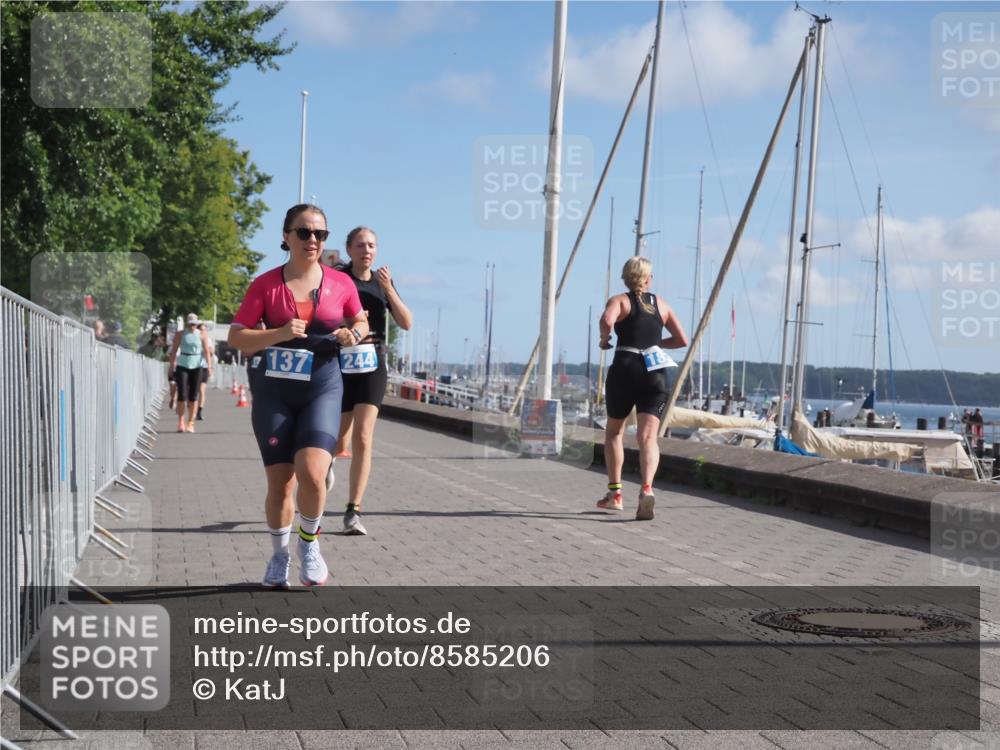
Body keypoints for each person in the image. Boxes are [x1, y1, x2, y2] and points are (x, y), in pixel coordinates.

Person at [228, 204, 368, 588]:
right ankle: (278, 557)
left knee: (312, 473)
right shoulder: (266, 284)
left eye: (320, 234)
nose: (312, 241)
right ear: (286, 236)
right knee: (280, 484)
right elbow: (236, 336)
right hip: (275, 390)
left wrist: (352, 334)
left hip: (322, 386)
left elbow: (360, 319)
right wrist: (276, 333)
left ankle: (309, 546)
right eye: (304, 233)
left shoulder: (341, 284)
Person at [334, 227, 413, 535]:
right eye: (360, 245)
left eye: (372, 245)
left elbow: (406, 323)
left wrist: (389, 290)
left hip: (372, 361)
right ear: (349, 249)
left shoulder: (384, 283)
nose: (367, 250)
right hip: (341, 360)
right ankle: (324, 468)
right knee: (339, 439)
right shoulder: (340, 279)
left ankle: (353, 510)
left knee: (363, 437)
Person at [598, 256, 688, 521]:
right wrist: (656, 343)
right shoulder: (662, 304)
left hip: (625, 367)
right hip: (655, 370)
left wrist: (605, 339)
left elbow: (606, 320)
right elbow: (681, 340)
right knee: (649, 438)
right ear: (647, 278)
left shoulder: (620, 300)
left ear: (626, 277)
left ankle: (615, 495)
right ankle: (647, 488)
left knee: (614, 432)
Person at [168, 314, 212, 433]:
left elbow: (207, 352)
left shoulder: (202, 334)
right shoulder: (181, 334)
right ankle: (181, 421)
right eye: (190, 324)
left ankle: (191, 422)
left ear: (197, 324)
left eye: (194, 324)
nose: (192, 326)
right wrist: (171, 366)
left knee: (193, 395)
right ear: (188, 323)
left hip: (197, 365)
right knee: (182, 394)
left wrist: (209, 367)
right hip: (183, 365)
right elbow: (173, 351)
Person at [196, 323, 215, 420]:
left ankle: (199, 411)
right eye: (201, 330)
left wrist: (210, 367)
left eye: (204, 330)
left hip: (204, 367)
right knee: (193, 389)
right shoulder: (194, 340)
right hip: (194, 367)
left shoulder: (208, 340)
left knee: (202, 389)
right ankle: (192, 407)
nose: (203, 331)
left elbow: (211, 353)